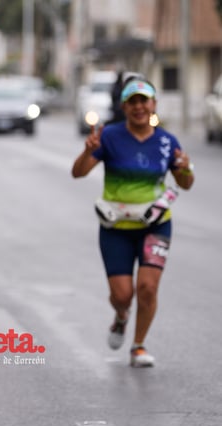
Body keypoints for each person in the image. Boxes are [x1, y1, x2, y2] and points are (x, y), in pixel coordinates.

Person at [71, 78, 194, 367]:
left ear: (153, 104)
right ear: (124, 106)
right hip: (116, 228)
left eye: (144, 100)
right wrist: (88, 151)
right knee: (122, 295)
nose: (139, 107)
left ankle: (138, 346)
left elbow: (185, 184)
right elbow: (78, 173)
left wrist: (185, 169)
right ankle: (121, 316)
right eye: (133, 101)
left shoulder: (167, 141)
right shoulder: (109, 136)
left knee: (148, 288)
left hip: (156, 224)